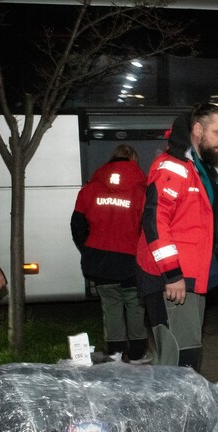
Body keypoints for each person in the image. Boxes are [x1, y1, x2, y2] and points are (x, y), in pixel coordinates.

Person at [137, 103, 218, 370]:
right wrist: (171, 274)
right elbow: (155, 221)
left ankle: (182, 409)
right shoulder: (173, 167)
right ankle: (173, 410)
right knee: (180, 357)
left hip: (194, 274)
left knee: (188, 353)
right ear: (197, 130)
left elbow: (214, 213)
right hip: (173, 278)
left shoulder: (208, 169)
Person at [71, 144, 150, 362]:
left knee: (111, 306)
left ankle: (115, 354)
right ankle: (137, 354)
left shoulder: (90, 188)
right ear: (133, 160)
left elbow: (77, 224)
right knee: (135, 306)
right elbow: (148, 226)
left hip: (100, 259)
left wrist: (87, 248)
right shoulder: (141, 190)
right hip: (131, 260)